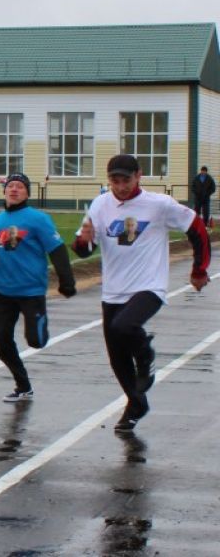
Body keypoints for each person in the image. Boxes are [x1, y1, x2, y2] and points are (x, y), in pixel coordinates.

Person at [74, 154, 211, 432]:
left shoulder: (158, 205)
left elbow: (196, 228)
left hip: (148, 285)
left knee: (125, 326)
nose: (121, 186)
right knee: (116, 356)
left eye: (126, 179)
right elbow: (85, 248)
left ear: (139, 176)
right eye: (115, 180)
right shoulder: (101, 204)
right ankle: (136, 403)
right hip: (113, 290)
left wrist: (199, 269)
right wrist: (83, 242)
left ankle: (145, 355)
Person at [0, 172, 76, 403]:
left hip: (31, 291)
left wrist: (66, 281)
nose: (14, 190)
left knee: (36, 341)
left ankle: (40, 327)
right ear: (4, 191)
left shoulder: (38, 219)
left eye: (20, 186)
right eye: (11, 186)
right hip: (3, 292)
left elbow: (57, 250)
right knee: (2, 344)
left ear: (27, 192)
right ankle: (23, 386)